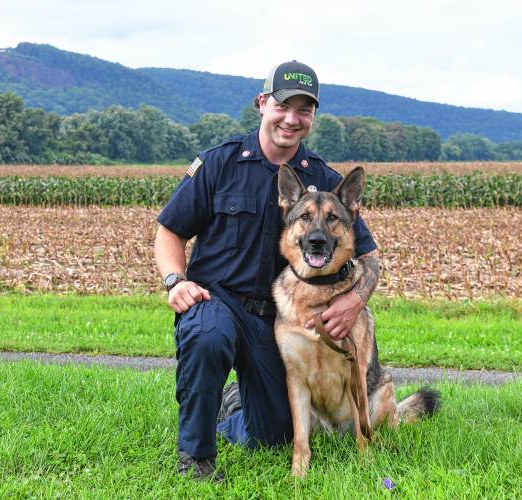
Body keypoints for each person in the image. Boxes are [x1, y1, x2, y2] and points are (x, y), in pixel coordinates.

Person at [154, 60, 380, 481]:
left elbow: (369, 257)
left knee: (273, 435)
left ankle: (235, 404)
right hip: (217, 302)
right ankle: (197, 459)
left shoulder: (325, 181)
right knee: (206, 336)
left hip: (276, 320)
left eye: (304, 110)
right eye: (282, 106)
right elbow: (169, 230)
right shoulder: (219, 163)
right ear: (262, 103)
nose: (291, 119)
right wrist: (175, 281)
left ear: (313, 116)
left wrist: (354, 299)